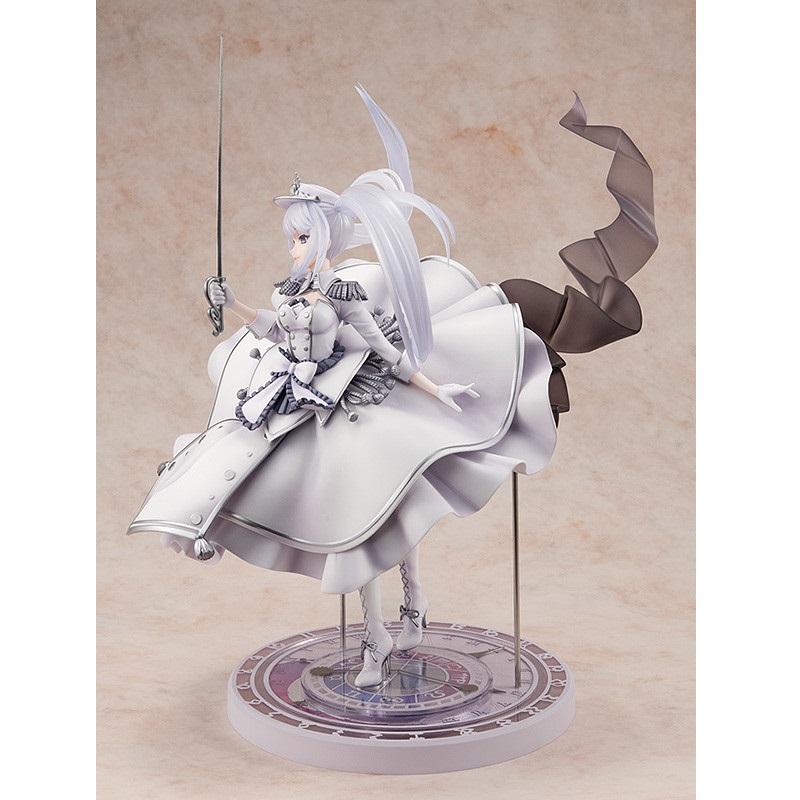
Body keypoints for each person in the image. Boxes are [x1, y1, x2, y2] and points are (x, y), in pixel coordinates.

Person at [128, 87, 656, 688]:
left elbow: (385, 352)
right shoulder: (290, 292)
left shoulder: (346, 296)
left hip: (352, 399)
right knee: (250, 458)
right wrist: (233, 304)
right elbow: (274, 330)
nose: (293, 249)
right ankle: (218, 532)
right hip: (300, 396)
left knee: (366, 512)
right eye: (290, 239)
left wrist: (437, 390)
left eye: (301, 238)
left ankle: (382, 634)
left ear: (324, 240)